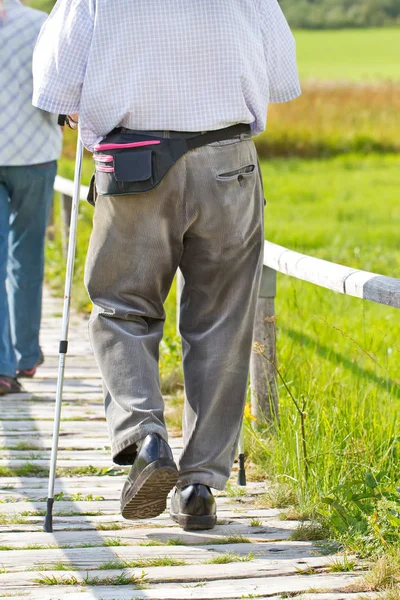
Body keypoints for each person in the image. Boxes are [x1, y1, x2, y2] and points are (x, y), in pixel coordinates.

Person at [32, 0, 300, 530]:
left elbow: (54, 83)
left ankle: (145, 435)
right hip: (228, 162)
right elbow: (282, 77)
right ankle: (199, 485)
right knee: (222, 322)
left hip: (134, 162)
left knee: (120, 306)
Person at [0, 0, 62, 396]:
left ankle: (4, 367)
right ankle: (23, 356)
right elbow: (58, 95)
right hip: (35, 155)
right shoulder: (43, 25)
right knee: (27, 254)